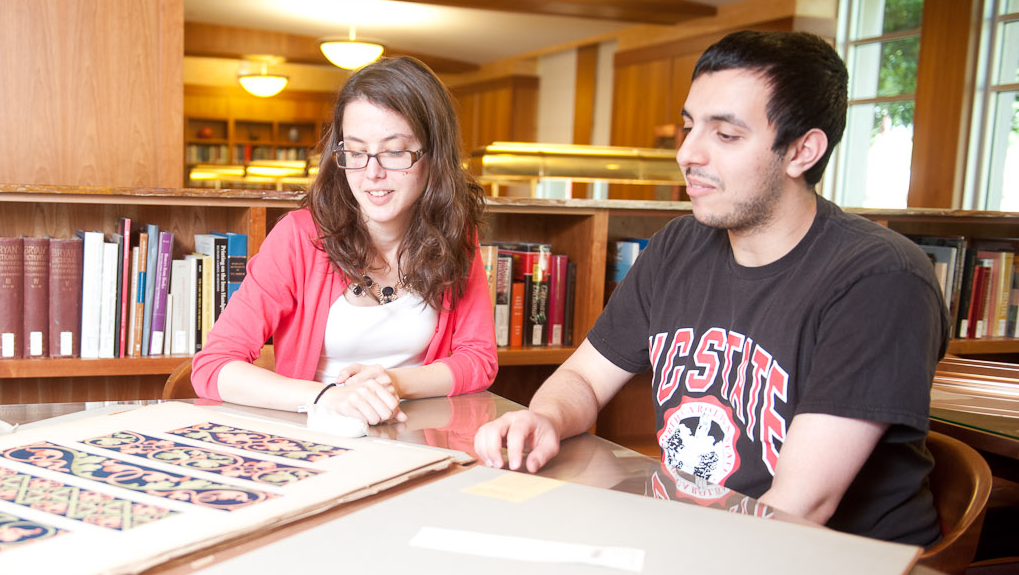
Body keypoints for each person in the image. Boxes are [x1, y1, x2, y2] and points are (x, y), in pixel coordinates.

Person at [474, 30, 947, 546]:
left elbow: (798, 507)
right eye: (688, 126)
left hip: (825, 557)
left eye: (725, 135)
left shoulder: (879, 280)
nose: (687, 154)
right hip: (700, 534)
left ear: (802, 151)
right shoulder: (680, 244)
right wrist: (544, 417)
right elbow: (585, 379)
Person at [192, 56, 498, 425]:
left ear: (433, 156)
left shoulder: (456, 234)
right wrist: (329, 397)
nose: (372, 173)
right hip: (318, 431)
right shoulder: (299, 237)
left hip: (419, 436)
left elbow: (479, 360)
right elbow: (213, 366)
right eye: (355, 152)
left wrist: (392, 382)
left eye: (395, 151)